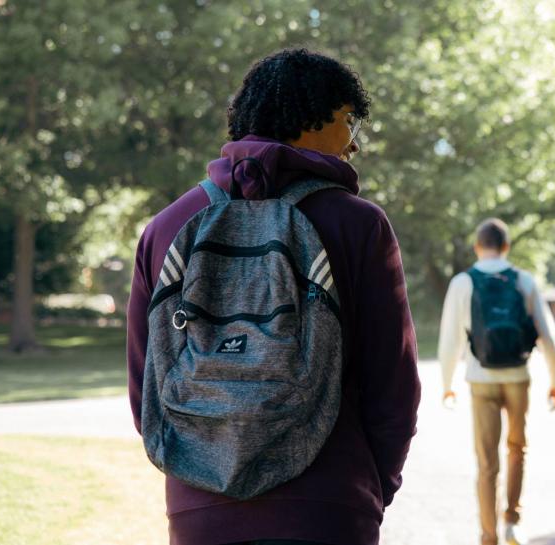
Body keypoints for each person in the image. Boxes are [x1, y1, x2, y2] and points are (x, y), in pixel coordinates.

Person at [126, 48, 420, 545]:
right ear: (314, 116)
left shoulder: (167, 226)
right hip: (329, 506)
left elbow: (146, 384)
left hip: (200, 512)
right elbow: (392, 384)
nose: (355, 145)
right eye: (352, 122)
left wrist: (197, 475)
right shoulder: (358, 224)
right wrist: (372, 486)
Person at [438, 218, 555, 545]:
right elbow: (547, 333)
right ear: (506, 247)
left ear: (477, 247)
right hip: (518, 378)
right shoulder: (523, 279)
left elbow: (450, 340)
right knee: (517, 449)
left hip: (480, 380)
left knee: (486, 462)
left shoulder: (462, 282)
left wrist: (447, 382)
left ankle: (488, 536)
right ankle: (512, 521)